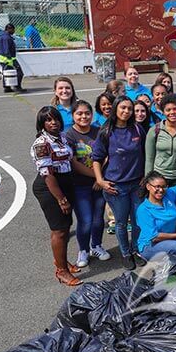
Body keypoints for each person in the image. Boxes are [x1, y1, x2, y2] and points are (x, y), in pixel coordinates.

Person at [92, 96, 147, 271]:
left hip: (137, 184)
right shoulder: (106, 131)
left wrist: (145, 177)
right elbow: (97, 158)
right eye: (123, 108)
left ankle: (136, 250)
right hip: (116, 186)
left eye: (129, 109)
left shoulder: (138, 129)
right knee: (121, 222)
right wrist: (100, 180)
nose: (126, 111)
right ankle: (125, 253)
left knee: (138, 221)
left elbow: (146, 154)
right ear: (116, 108)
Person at [31, 106, 80, 285]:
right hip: (50, 187)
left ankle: (61, 260)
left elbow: (71, 161)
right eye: (48, 120)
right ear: (42, 123)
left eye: (56, 119)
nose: (54, 122)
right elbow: (47, 175)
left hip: (65, 183)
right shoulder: (42, 143)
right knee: (59, 230)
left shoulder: (63, 137)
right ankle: (61, 271)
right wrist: (61, 199)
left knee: (66, 226)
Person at [66, 100, 111, 268]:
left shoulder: (99, 132)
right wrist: (96, 176)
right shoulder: (69, 135)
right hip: (80, 185)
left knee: (98, 219)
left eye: (87, 113)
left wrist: (100, 179)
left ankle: (96, 246)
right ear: (73, 116)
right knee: (85, 220)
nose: (83, 116)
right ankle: (83, 249)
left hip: (99, 183)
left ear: (92, 115)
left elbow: (107, 156)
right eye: (79, 113)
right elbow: (74, 162)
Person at [145, 94, 176, 232]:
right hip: (160, 178)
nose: (172, 113)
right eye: (168, 110)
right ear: (163, 111)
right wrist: (148, 180)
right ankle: (162, 243)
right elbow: (149, 158)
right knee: (160, 214)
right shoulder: (155, 130)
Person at [136, 172, 176, 261]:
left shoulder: (169, 194)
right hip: (150, 246)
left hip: (172, 241)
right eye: (157, 186)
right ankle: (163, 267)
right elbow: (154, 237)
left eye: (164, 186)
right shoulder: (143, 210)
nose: (161, 190)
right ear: (148, 187)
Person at [0, 23, 25, 92]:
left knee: (7, 73)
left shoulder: (4, 36)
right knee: (19, 73)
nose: (14, 31)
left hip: (3, 59)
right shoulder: (6, 38)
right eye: (13, 29)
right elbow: (6, 50)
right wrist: (10, 60)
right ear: (9, 29)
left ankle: (7, 87)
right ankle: (17, 86)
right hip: (8, 59)